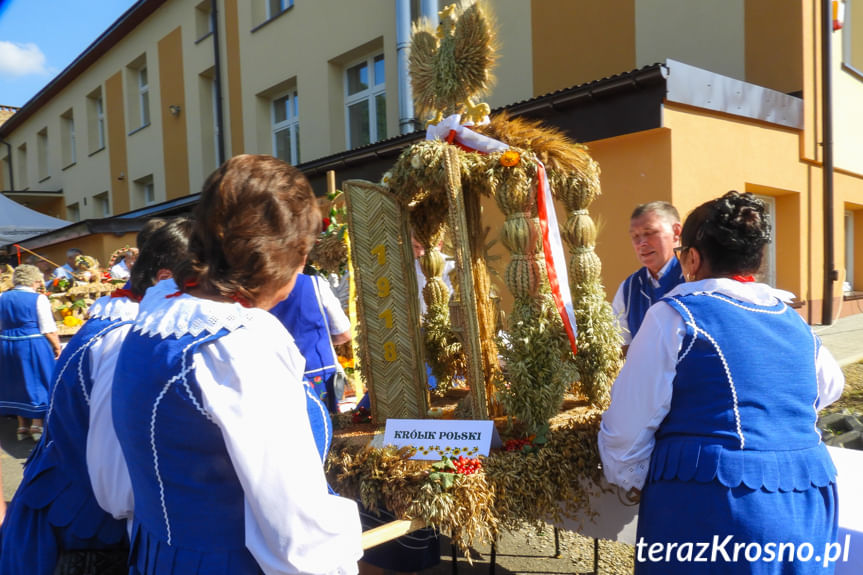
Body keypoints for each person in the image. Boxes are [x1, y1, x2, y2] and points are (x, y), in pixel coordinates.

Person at [110, 154, 362, 574]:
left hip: (161, 555)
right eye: (303, 254)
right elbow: (294, 525)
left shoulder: (154, 317)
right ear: (284, 258)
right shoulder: (239, 344)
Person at [598, 191, 845, 574]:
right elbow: (830, 387)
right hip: (807, 501)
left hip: (714, 505)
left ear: (692, 258)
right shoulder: (792, 319)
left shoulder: (676, 316)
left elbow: (628, 424)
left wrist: (628, 478)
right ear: (757, 260)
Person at [0, 219, 193, 575]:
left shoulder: (112, 325)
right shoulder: (123, 339)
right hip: (85, 529)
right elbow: (116, 478)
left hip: (73, 511)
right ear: (165, 279)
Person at [270, 271, 351, 413]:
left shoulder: (253, 287)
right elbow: (343, 333)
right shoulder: (315, 284)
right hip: (318, 371)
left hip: (276, 374)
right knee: (325, 427)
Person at [611, 202, 685, 351]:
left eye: (650, 232)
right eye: (635, 236)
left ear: (676, 232)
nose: (641, 243)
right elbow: (621, 345)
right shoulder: (629, 288)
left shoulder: (693, 278)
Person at [0, 264, 60, 442]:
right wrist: (57, 346)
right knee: (37, 379)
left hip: (6, 343)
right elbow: (47, 327)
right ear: (34, 280)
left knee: (16, 380)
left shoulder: (2, 296)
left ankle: (22, 426)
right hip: (31, 342)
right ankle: (36, 424)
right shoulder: (38, 298)